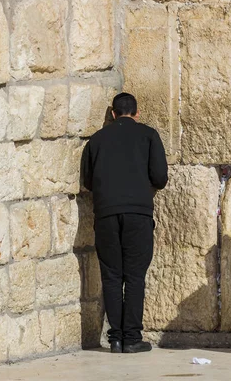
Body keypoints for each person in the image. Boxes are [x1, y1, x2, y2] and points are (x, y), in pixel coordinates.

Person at [81, 93, 168, 354]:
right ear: (137, 113)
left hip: (106, 214)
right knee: (134, 276)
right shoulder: (149, 135)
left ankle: (115, 339)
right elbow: (160, 178)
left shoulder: (96, 140)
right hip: (138, 215)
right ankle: (132, 338)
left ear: (113, 113)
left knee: (111, 276)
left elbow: (88, 181)